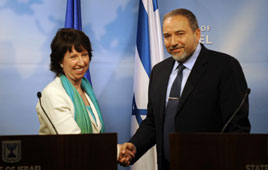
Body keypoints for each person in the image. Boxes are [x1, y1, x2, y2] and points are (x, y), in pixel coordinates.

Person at [118, 8, 251, 170]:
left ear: (197, 34)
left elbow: (237, 128)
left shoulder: (224, 67)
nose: (173, 42)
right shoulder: (159, 71)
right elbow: (154, 121)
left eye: (180, 34)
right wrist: (135, 146)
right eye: (167, 36)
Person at [36, 28, 104, 134]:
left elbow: (96, 133)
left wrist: (119, 149)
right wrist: (116, 150)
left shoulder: (87, 89)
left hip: (93, 150)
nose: (81, 63)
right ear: (60, 61)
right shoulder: (53, 93)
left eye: (84, 55)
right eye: (73, 57)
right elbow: (72, 141)